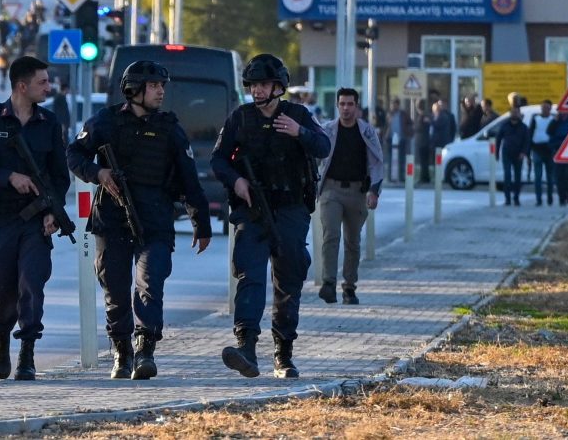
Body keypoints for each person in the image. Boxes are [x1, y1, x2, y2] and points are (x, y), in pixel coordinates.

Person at [67, 60, 212, 380]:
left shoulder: (169, 128)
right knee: (115, 289)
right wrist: (98, 173)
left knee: (150, 283)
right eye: (154, 86)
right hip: (112, 218)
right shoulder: (104, 122)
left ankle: (145, 348)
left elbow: (189, 179)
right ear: (135, 90)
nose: (161, 91)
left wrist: (201, 222)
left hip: (156, 219)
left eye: (162, 86)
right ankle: (122, 352)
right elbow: (74, 154)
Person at [210, 54, 330, 380]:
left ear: (278, 87)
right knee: (249, 274)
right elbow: (218, 160)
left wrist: (299, 133)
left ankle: (283, 353)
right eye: (252, 85)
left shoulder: (298, 115)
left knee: (288, 278)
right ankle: (245, 347)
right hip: (252, 210)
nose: (257, 91)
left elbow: (323, 146)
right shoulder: (240, 118)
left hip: (291, 210)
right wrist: (236, 180)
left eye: (263, 84)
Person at [0, 55, 69, 381]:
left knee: (31, 282)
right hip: (1, 218)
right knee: (1, 283)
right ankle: (0, 336)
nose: (48, 87)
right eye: (42, 82)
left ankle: (27, 354)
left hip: (36, 220)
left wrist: (53, 211)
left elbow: (59, 175)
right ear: (22, 86)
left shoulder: (49, 123)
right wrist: (8, 176)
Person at [317, 88, 384, 306]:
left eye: (350, 104)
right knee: (331, 235)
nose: (346, 108)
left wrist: (374, 191)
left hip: (357, 191)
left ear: (357, 106)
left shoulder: (366, 132)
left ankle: (349, 287)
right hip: (331, 190)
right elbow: (314, 156)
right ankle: (328, 283)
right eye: (342, 104)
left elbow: (377, 162)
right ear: (337, 106)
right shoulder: (327, 130)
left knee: (352, 242)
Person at [495, 105, 531, 206]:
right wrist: (497, 153)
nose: (514, 114)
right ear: (510, 113)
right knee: (507, 176)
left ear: (519, 114)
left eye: (516, 112)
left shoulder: (524, 127)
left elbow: (527, 141)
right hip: (507, 153)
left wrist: (524, 153)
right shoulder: (504, 125)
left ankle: (516, 198)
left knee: (517, 177)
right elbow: (498, 139)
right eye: (512, 112)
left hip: (518, 154)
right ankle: (507, 199)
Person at [527, 100, 556, 206]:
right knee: (538, 177)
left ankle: (550, 199)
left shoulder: (553, 119)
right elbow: (530, 134)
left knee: (550, 178)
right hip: (537, 149)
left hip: (549, 150)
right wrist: (528, 151)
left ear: (550, 108)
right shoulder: (535, 119)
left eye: (547, 107)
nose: (544, 109)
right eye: (543, 107)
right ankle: (538, 200)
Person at [550, 111, 568, 207]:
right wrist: (555, 120)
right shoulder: (556, 121)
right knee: (560, 177)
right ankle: (562, 199)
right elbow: (549, 132)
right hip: (559, 151)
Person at [384, 97, 413, 183]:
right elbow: (385, 125)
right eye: (392, 104)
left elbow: (410, 123)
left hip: (401, 138)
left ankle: (401, 176)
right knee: (390, 158)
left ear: (398, 105)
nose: (393, 106)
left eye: (395, 104)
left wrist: (408, 131)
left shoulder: (403, 114)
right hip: (390, 138)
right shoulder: (388, 114)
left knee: (402, 159)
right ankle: (390, 177)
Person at [415, 99, 434, 183]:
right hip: (423, 140)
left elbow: (421, 127)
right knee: (424, 161)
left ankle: (424, 178)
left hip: (424, 141)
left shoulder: (424, 116)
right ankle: (425, 177)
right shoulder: (424, 115)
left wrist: (415, 128)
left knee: (424, 161)